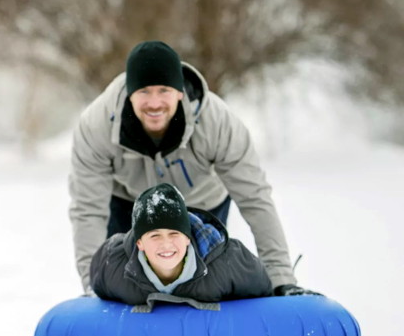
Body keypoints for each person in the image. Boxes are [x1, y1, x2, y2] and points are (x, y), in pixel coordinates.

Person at [70, 40, 312, 296]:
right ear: (130, 93)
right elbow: (88, 209)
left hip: (202, 203)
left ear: (180, 92)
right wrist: (92, 286)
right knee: (124, 281)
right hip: (128, 204)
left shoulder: (216, 122)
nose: (154, 103)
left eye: (164, 90)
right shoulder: (96, 126)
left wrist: (281, 279)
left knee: (202, 281)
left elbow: (255, 198)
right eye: (143, 92)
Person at [91, 183, 274, 306]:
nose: (166, 244)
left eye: (174, 233)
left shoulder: (228, 260)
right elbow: (97, 291)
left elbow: (263, 293)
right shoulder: (113, 264)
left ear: (187, 237)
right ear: (140, 243)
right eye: (155, 236)